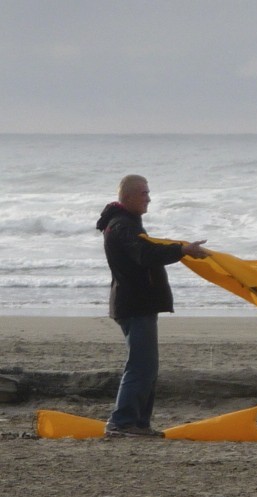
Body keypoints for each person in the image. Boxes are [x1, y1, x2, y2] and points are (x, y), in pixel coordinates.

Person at [95, 174, 209, 438]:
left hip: (137, 304)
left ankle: (139, 423)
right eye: (145, 193)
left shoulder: (127, 223)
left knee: (147, 367)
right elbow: (144, 254)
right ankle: (122, 423)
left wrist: (179, 250)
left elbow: (147, 250)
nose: (149, 198)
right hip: (134, 305)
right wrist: (182, 250)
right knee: (140, 366)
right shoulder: (122, 226)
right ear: (129, 197)